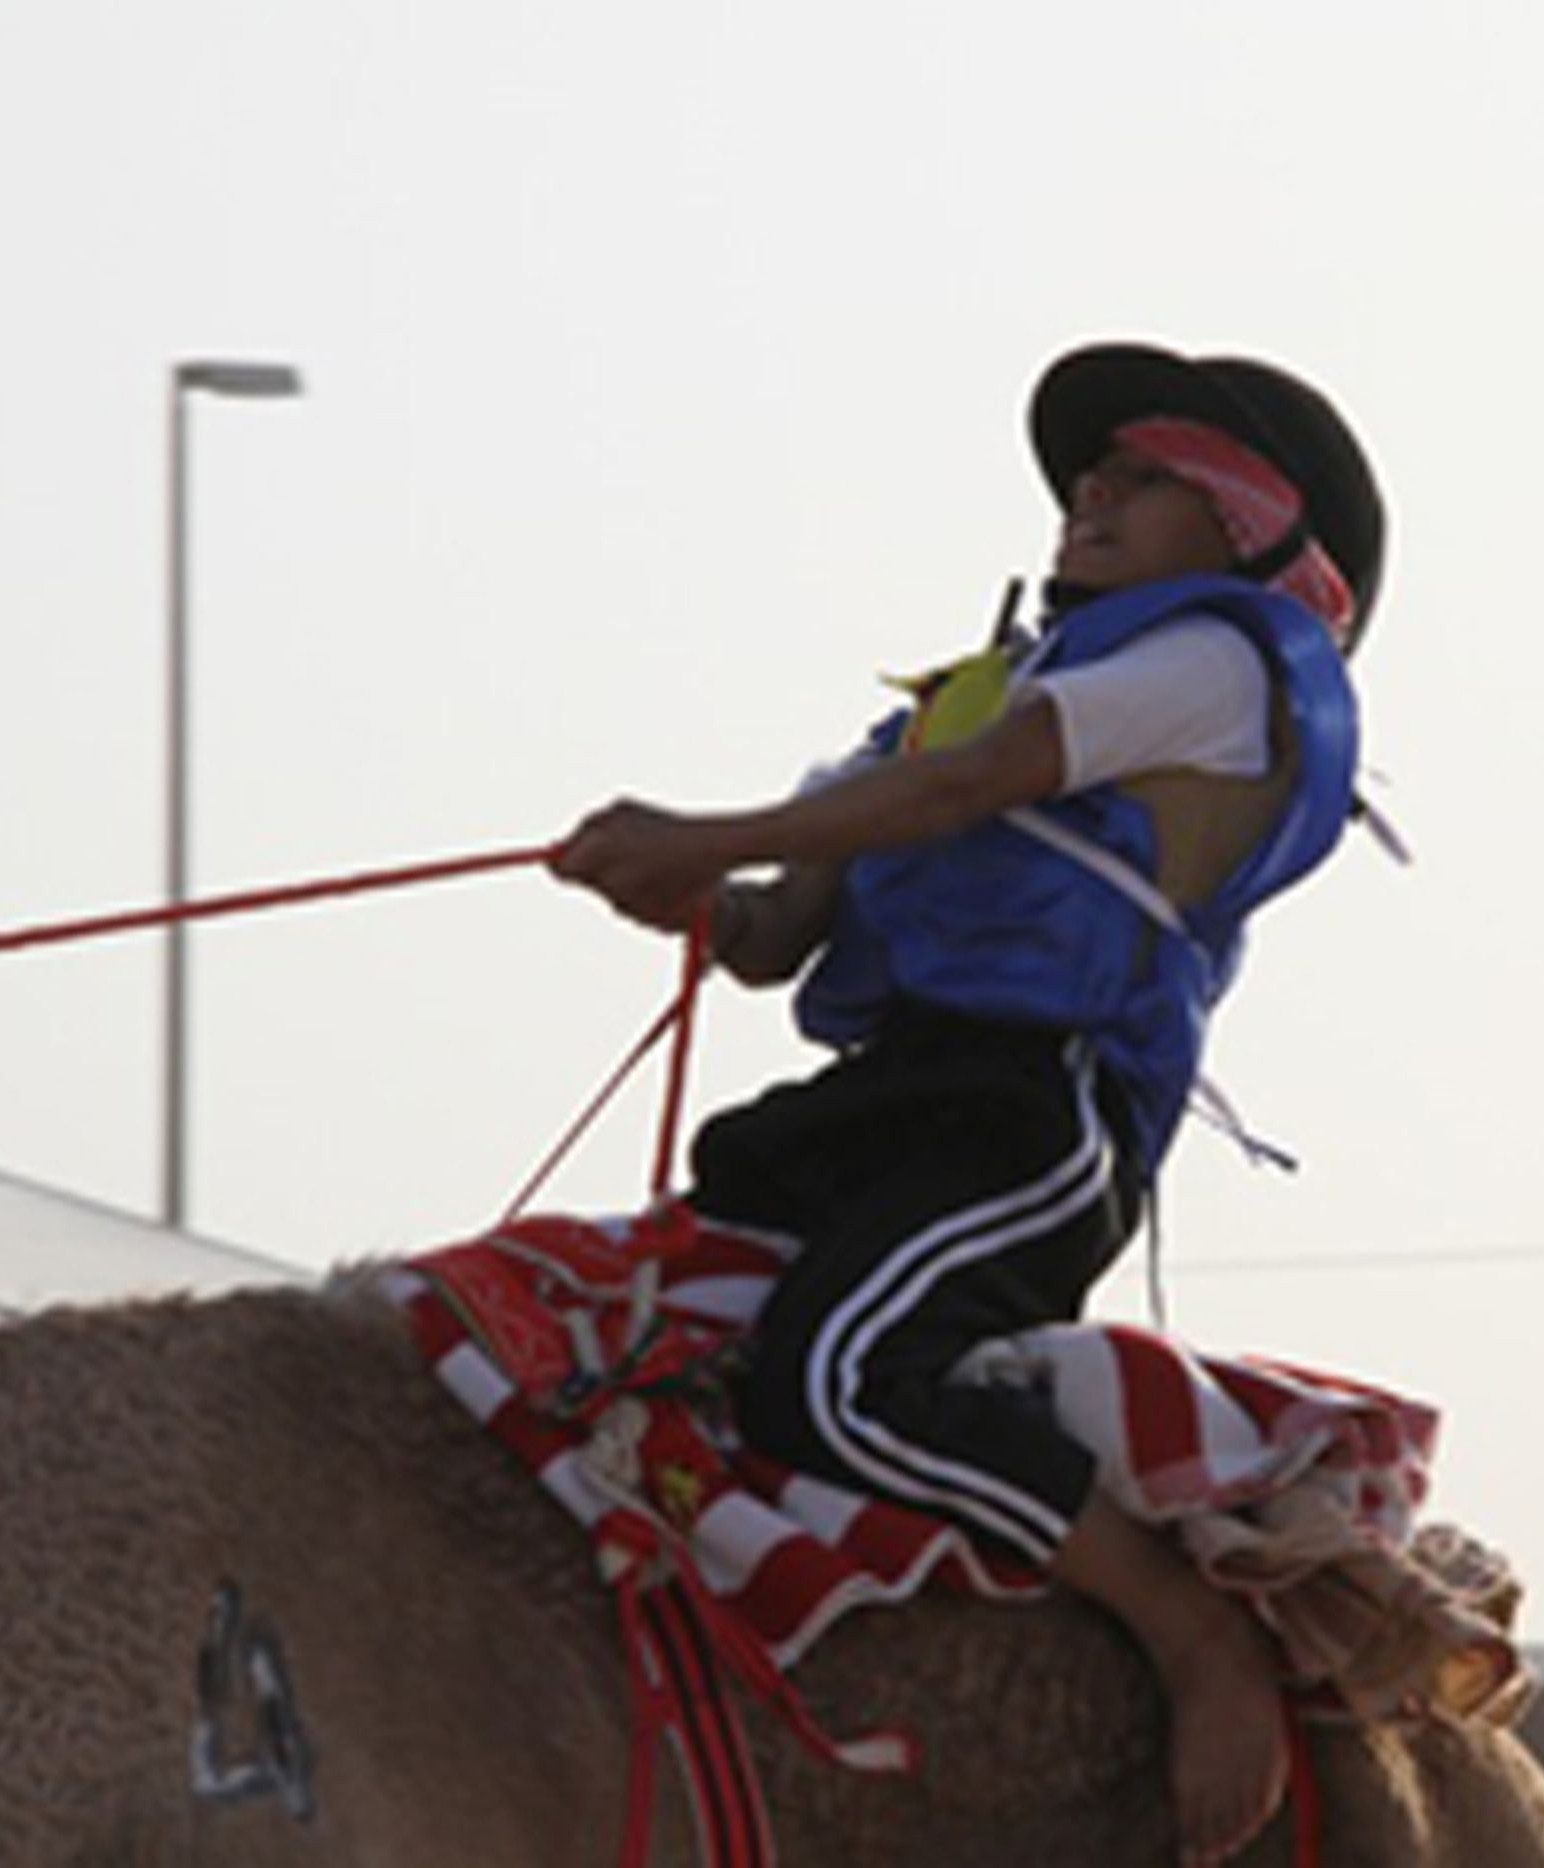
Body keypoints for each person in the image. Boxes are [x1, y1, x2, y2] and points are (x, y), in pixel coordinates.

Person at [554, 340, 1383, 1868]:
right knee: (590, 1343)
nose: (1095, 495)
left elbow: (966, 792)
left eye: (1151, 477)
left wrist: (710, 829)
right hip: (881, 1103)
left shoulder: (1217, 670)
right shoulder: (948, 707)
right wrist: (672, 888)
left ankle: (1188, 1631)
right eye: (1094, 474)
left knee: (838, 1377)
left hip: (1029, 1123)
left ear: (1263, 536)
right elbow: (770, 939)